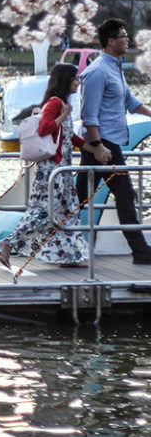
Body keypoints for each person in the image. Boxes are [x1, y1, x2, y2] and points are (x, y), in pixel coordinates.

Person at [0, 64, 92, 269]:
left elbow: (69, 137)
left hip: (63, 171)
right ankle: (9, 244)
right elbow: (45, 127)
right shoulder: (56, 103)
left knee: (68, 212)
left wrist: (92, 149)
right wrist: (64, 115)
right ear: (66, 81)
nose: (78, 82)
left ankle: (69, 256)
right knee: (43, 212)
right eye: (75, 79)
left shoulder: (63, 104)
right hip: (51, 170)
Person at [77, 18, 151, 264]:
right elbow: (89, 114)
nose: (127, 39)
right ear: (110, 41)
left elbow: (130, 102)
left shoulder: (115, 67)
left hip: (108, 144)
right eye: (123, 36)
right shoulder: (97, 71)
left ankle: (37, 237)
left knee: (76, 197)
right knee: (125, 195)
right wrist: (98, 146)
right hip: (103, 144)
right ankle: (141, 252)